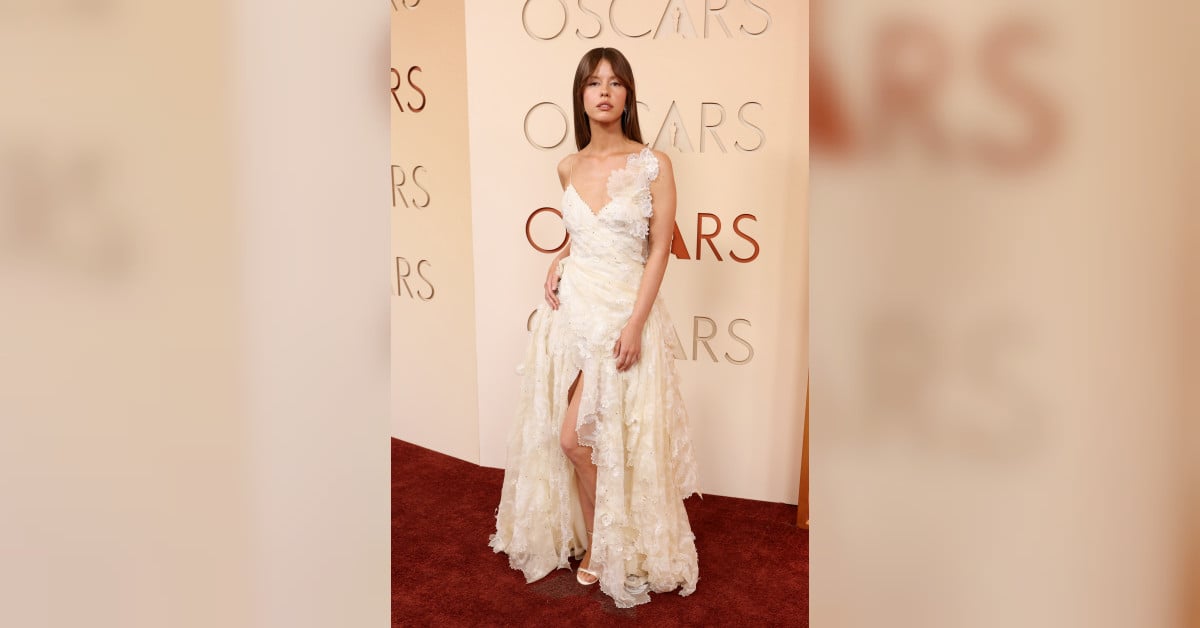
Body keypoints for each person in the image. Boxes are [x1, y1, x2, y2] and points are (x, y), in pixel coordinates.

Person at [489, 47, 700, 609]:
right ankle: (602, 546)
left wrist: (636, 323)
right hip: (573, 312)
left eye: (615, 82)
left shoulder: (653, 164)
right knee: (579, 438)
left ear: (628, 95)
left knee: (584, 437)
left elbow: (658, 249)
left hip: (623, 313)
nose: (604, 91)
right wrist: (559, 258)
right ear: (580, 96)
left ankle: (611, 546)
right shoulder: (567, 166)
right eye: (593, 83)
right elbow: (587, 234)